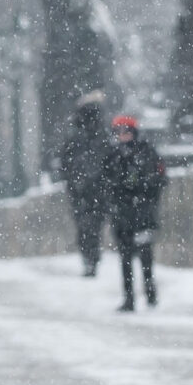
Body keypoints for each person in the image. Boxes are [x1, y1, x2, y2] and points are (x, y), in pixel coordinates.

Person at [103, 114, 167, 313]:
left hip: (142, 215)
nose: (123, 135)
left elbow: (159, 179)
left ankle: (150, 294)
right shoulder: (113, 155)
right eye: (119, 131)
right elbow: (106, 183)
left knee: (145, 256)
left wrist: (141, 191)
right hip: (122, 215)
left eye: (126, 131)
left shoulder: (146, 152)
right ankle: (129, 298)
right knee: (125, 258)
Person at [60, 97, 111, 279]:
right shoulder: (99, 137)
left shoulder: (77, 139)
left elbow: (65, 164)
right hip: (92, 191)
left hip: (86, 191)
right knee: (91, 227)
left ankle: (90, 258)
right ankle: (92, 257)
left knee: (86, 227)